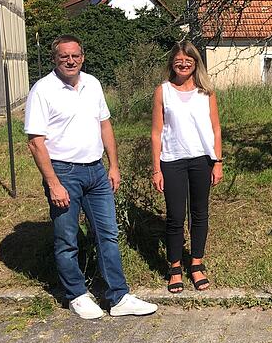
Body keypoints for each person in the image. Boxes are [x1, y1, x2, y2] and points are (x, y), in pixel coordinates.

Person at [25, 35, 158, 319]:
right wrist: (53, 183)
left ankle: (118, 297)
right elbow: (36, 141)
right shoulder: (43, 90)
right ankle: (77, 294)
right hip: (63, 172)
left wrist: (113, 166)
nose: (70, 61)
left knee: (108, 234)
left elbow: (105, 126)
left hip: (96, 171)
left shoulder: (93, 84)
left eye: (75, 55)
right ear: (55, 60)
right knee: (67, 237)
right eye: (64, 57)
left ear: (82, 57)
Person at [151, 41, 223, 293]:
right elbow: (156, 133)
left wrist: (218, 162)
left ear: (195, 63)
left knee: (199, 214)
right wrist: (156, 169)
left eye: (188, 60)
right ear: (172, 62)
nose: (183, 64)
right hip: (172, 161)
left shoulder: (206, 92)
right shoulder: (163, 91)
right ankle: (174, 268)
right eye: (179, 60)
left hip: (202, 159)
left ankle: (196, 264)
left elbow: (215, 128)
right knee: (175, 217)